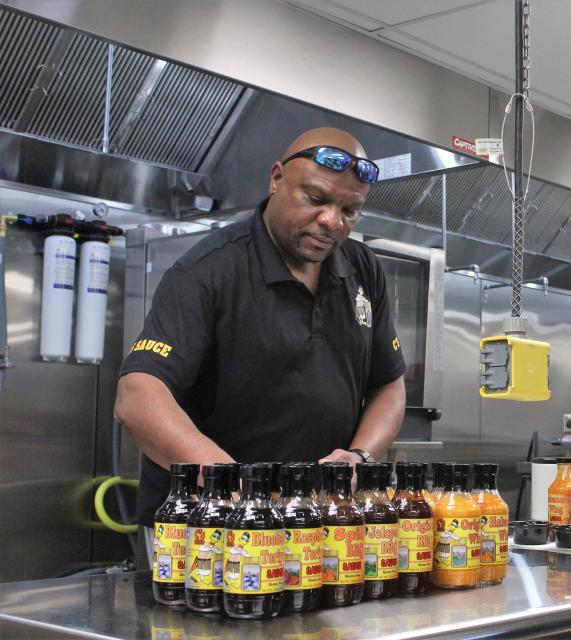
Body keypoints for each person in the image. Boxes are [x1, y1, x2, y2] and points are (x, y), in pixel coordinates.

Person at [115, 128, 407, 531]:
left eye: (350, 211)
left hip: (319, 523)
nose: (331, 221)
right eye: (316, 199)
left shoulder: (362, 269)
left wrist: (359, 458)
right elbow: (138, 398)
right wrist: (235, 488)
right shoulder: (208, 270)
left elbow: (389, 385)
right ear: (275, 179)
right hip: (207, 528)